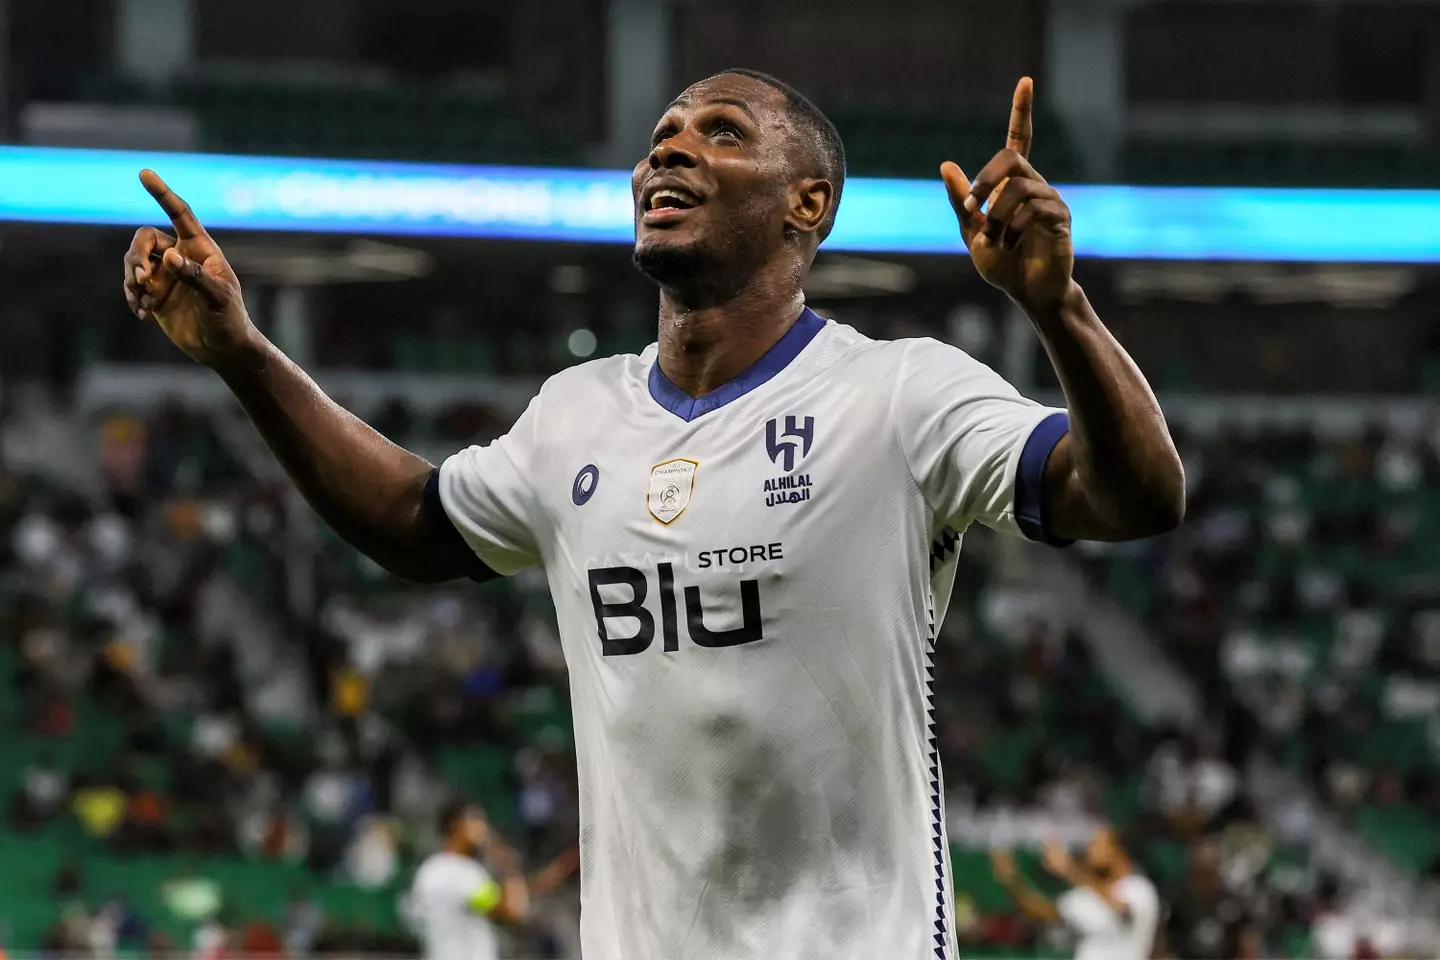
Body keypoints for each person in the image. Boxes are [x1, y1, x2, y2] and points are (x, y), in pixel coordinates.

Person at [122, 68, 1183, 960]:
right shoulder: (577, 415)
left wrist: (1061, 309)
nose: (668, 153)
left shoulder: (898, 394)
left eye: (720, 134)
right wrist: (244, 356)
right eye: (661, 136)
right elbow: (412, 518)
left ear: (805, 204)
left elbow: (1134, 497)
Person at [407, 801, 578, 960]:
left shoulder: (429, 870)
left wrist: (552, 875)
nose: (483, 828)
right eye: (475, 821)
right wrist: (505, 863)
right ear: (456, 826)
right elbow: (512, 911)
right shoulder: (463, 873)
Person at [991, 828, 1161, 960]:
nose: (1089, 849)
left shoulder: (1138, 888)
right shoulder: (1087, 892)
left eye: (1097, 844)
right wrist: (1013, 881)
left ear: (1118, 851)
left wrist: (1069, 870)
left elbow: (1121, 911)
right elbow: (1043, 912)